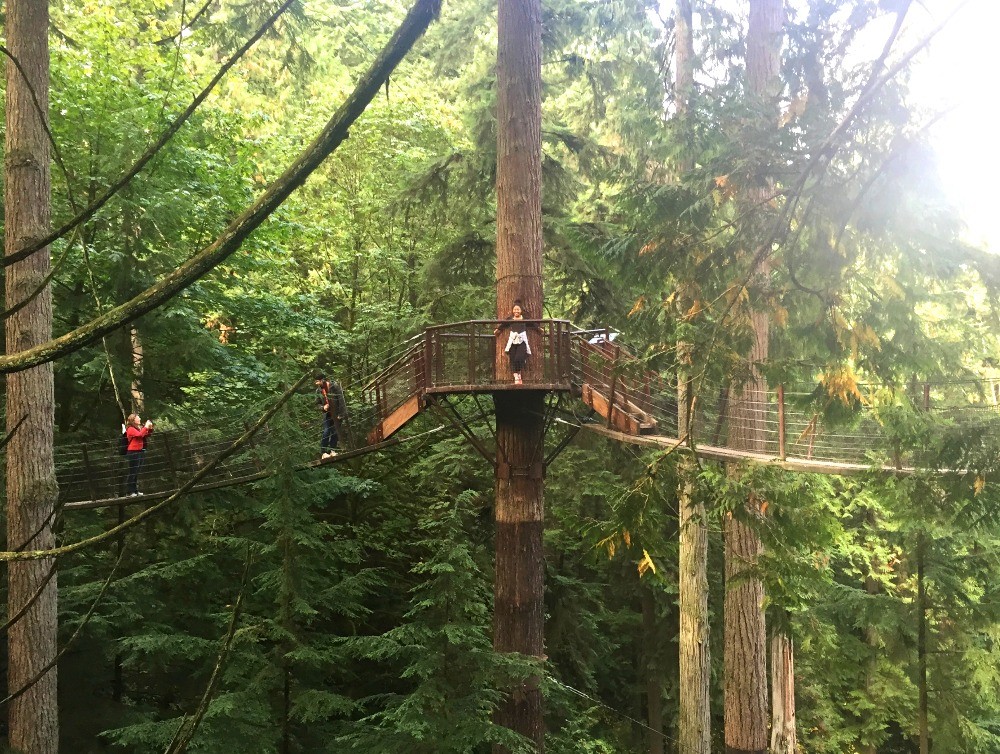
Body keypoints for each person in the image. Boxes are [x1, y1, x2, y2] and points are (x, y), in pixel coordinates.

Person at [493, 301, 533, 384]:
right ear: (512, 310)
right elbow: (504, 325)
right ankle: (516, 376)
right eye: (515, 309)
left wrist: (539, 329)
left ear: (521, 310)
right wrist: (498, 330)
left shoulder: (525, 319)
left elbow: (533, 324)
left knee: (519, 357)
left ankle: (519, 372)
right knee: (513, 359)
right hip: (513, 341)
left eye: (518, 309)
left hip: (522, 340)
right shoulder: (510, 319)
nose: (516, 311)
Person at [315, 373, 345, 459]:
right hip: (327, 414)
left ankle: (333, 450)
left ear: (322, 380)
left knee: (335, 432)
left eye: (317, 381)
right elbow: (317, 404)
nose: (316, 383)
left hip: (336, 413)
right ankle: (323, 452)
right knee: (326, 431)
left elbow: (341, 400)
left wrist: (341, 414)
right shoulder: (318, 391)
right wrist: (323, 407)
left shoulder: (334, 386)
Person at [124, 413, 154, 496]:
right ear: (134, 420)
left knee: (136, 472)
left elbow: (145, 435)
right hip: (133, 452)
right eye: (138, 417)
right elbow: (140, 435)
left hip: (139, 451)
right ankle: (130, 491)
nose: (140, 418)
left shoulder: (138, 428)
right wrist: (145, 427)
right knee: (133, 472)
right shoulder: (130, 429)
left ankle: (135, 490)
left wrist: (150, 428)